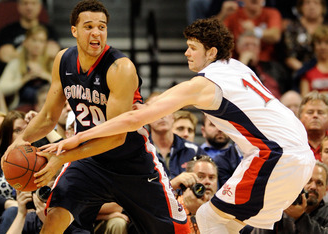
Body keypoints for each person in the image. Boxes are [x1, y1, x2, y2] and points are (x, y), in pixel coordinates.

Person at [39, 17, 316, 233]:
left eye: (192, 48)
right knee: (226, 221)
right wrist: (147, 109)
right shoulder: (237, 67)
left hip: (275, 156)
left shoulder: (205, 83)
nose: (185, 53)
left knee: (211, 218)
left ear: (212, 51)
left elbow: (135, 120)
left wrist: (78, 138)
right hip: (296, 153)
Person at [3, 1, 190, 233]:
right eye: (89, 26)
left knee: (177, 230)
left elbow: (116, 137)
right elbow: (49, 116)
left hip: (132, 162)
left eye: (102, 27)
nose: (96, 33)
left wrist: (61, 158)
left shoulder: (120, 68)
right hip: (89, 160)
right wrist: (18, 142)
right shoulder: (63, 60)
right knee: (54, 216)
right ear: (74, 30)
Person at [252, 160, 328, 233]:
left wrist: (300, 217)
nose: (313, 187)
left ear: (326, 190)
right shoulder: (282, 207)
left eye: (319, 183)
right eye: (308, 180)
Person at [146, 92, 206, 179]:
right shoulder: (139, 152)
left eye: (166, 109)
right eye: (156, 110)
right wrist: (173, 184)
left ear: (173, 115)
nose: (162, 115)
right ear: (146, 118)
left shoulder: (194, 151)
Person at [0, 111, 27, 234]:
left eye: (27, 129)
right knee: (13, 214)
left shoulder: (36, 158)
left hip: (27, 212)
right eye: (17, 130)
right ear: (7, 133)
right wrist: (18, 206)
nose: (23, 134)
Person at [0, 25, 53, 110]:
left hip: (47, 109)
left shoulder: (51, 63)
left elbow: (63, 87)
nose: (37, 45)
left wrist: (45, 76)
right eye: (34, 40)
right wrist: (23, 80)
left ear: (45, 44)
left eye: (41, 41)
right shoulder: (16, 64)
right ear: (26, 42)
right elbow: (1, 88)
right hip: (22, 109)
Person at [171, 155, 218, 234]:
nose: (207, 182)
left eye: (211, 177)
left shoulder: (223, 209)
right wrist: (171, 184)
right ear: (187, 178)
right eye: (201, 176)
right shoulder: (174, 206)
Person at [282, 0, 327, 73]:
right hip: (301, 72)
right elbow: (289, 57)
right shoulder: (292, 27)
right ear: (301, 7)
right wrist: (307, 72)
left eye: (316, 3)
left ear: (323, 7)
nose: (312, 7)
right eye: (307, 3)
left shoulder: (326, 25)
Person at [297, 25, 328, 96]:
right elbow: (304, 97)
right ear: (314, 45)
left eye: (327, 43)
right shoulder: (307, 70)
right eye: (319, 43)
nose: (323, 47)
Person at [299, 90, 328, 161]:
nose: (315, 115)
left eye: (320, 112)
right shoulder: (292, 143)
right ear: (300, 117)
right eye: (310, 112)